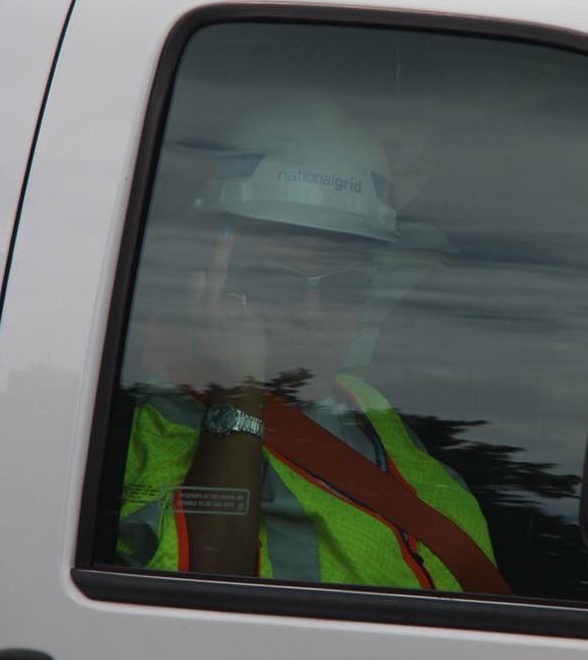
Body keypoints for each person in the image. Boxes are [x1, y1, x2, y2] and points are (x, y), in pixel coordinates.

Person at [116, 102, 510, 594]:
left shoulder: (371, 408)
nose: (312, 312)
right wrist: (238, 391)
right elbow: (194, 607)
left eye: (343, 286)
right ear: (217, 281)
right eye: (280, 283)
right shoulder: (155, 427)